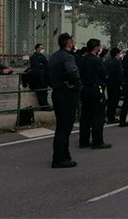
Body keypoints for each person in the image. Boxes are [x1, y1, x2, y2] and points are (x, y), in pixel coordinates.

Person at [47, 33, 80, 169]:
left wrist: (55, 85)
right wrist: (72, 83)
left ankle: (64, 154)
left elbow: (46, 75)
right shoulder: (68, 57)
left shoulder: (54, 57)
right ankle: (59, 158)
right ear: (69, 43)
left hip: (57, 92)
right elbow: (72, 72)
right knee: (65, 127)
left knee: (61, 125)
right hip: (67, 94)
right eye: (72, 42)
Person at [78, 39, 111, 150]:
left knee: (85, 116)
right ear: (96, 48)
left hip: (84, 89)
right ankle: (97, 141)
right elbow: (104, 74)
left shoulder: (82, 60)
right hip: (96, 89)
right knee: (98, 116)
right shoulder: (96, 60)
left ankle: (83, 141)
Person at [28, 44, 52, 110]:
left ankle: (45, 105)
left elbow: (46, 64)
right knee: (40, 92)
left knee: (44, 92)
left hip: (43, 77)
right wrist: (42, 65)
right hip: (37, 78)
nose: (42, 49)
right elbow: (37, 66)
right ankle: (43, 106)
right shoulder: (34, 57)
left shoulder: (42, 56)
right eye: (41, 48)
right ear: (37, 48)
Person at [104, 47, 124, 124]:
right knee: (114, 100)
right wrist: (121, 83)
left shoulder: (106, 62)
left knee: (110, 99)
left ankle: (109, 115)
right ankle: (111, 117)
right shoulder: (117, 62)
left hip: (108, 82)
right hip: (115, 82)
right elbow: (119, 74)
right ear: (117, 54)